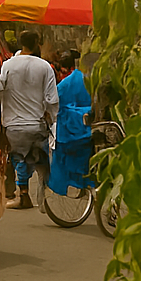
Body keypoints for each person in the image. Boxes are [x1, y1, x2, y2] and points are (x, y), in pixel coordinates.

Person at [0, 30, 59, 209]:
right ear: (37, 43)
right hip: (37, 123)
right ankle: (45, 189)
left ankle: (23, 195)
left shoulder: (8, 65)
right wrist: (52, 118)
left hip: (14, 125)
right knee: (40, 158)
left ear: (21, 43)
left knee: (19, 159)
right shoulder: (44, 66)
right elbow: (52, 99)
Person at [49, 49, 94, 198]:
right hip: (89, 128)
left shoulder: (65, 85)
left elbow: (53, 104)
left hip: (69, 132)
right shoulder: (90, 81)